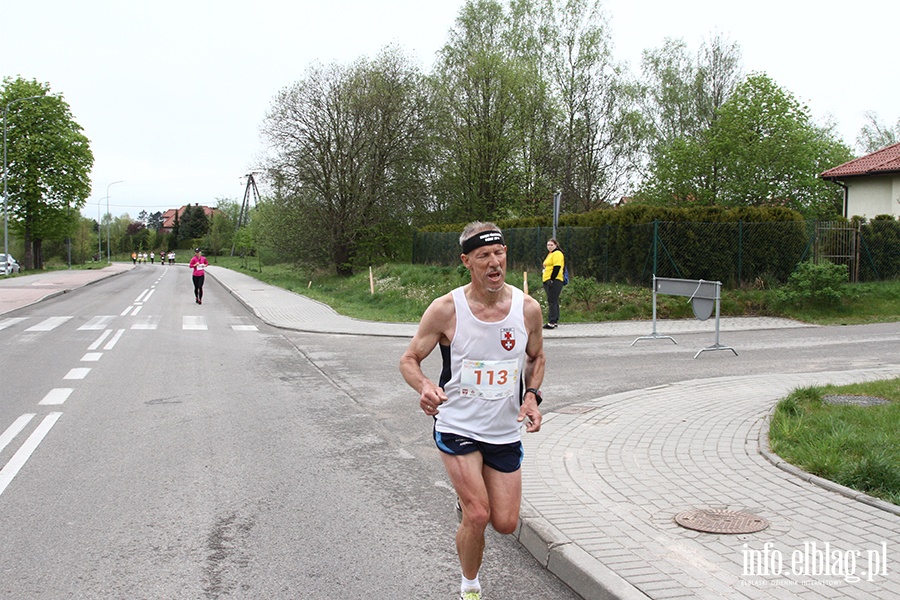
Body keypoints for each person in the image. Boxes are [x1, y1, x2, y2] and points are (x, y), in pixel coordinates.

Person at [400, 222, 545, 600]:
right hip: (457, 424)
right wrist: (425, 385)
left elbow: (536, 356)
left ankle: (466, 506)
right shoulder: (447, 309)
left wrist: (532, 395)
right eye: (484, 256)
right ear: (467, 261)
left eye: (499, 253)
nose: (494, 263)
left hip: (503, 429)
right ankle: (470, 588)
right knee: (479, 514)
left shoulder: (528, 309)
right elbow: (409, 358)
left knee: (505, 522)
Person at [541, 238, 565, 329]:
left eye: (551, 245)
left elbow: (557, 267)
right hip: (547, 279)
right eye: (548, 245)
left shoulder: (557, 253)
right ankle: (554, 319)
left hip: (555, 280)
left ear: (556, 245)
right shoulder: (550, 254)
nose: (549, 247)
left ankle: (551, 321)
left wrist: (552, 279)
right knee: (553, 300)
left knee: (552, 300)